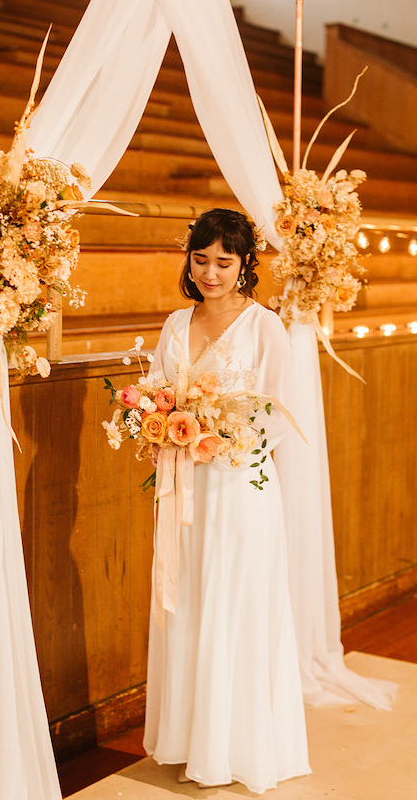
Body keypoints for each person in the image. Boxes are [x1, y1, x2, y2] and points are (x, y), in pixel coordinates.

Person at [142, 208, 310, 793]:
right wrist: (163, 422)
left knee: (233, 601)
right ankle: (190, 740)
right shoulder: (173, 323)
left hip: (239, 488)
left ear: (244, 265)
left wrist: (227, 441)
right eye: (201, 260)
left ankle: (234, 745)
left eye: (223, 262)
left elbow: (281, 413)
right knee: (188, 601)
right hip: (184, 486)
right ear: (189, 261)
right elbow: (157, 395)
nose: (210, 272)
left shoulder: (264, 326)